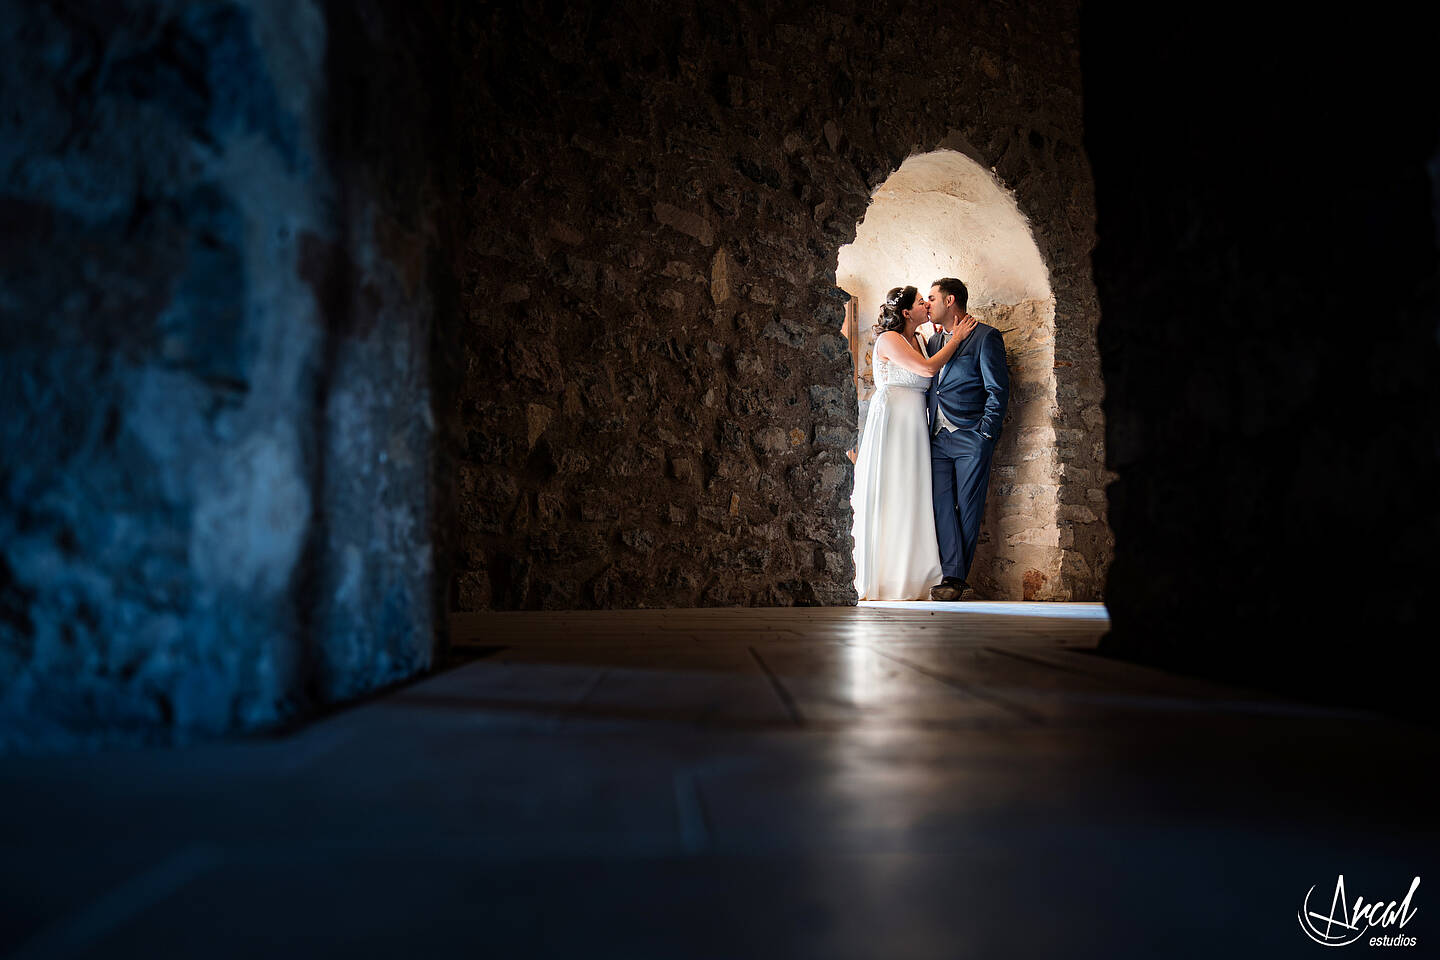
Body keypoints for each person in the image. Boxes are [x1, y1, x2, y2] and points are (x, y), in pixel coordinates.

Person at [851, 285, 976, 600]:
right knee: (892, 492)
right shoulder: (889, 339)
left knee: (914, 494)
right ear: (907, 312)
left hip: (918, 425)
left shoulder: (922, 339)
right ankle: (886, 577)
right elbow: (928, 368)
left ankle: (914, 574)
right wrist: (957, 339)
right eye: (922, 302)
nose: (926, 305)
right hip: (893, 422)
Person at [924, 278, 1009, 601]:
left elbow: (997, 390)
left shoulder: (986, 337)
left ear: (951, 300)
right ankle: (951, 570)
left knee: (968, 507)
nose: (927, 303)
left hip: (971, 435)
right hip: (937, 437)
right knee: (941, 505)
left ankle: (954, 579)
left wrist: (985, 433)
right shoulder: (933, 342)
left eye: (932, 297)